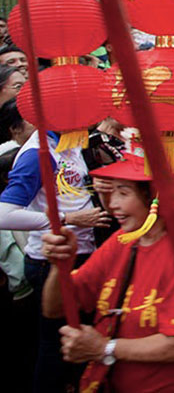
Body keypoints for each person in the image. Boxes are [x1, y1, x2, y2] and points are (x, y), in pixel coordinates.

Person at [40, 154, 174, 393]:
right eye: (111, 192)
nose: (112, 203)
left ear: (155, 197)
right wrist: (60, 266)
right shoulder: (124, 240)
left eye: (123, 193)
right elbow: (56, 308)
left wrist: (104, 348)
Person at [0, 126, 109, 392]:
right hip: (51, 260)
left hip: (81, 254)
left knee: (75, 342)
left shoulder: (69, 141)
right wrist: (67, 220)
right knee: (55, 346)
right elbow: (4, 214)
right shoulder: (38, 153)